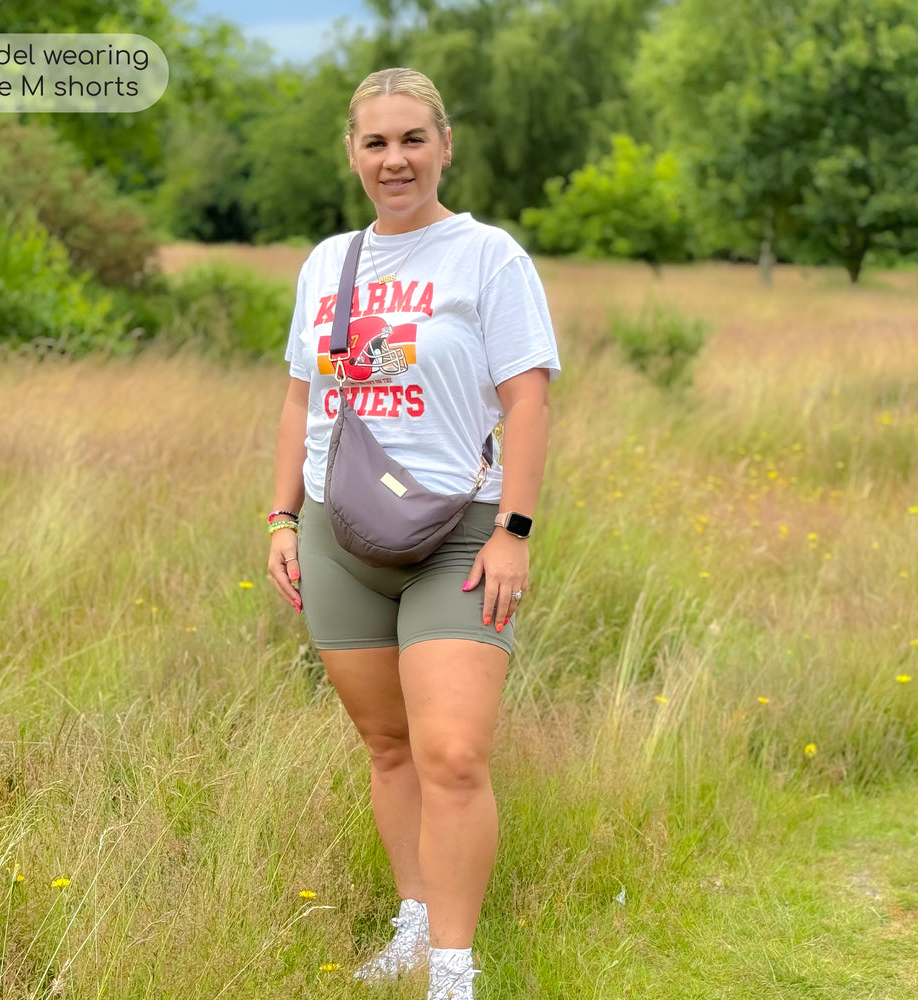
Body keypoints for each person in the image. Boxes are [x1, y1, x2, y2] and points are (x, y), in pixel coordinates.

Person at [266, 66, 560, 1000]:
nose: (395, 160)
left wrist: (513, 529)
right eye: (375, 143)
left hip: (461, 533)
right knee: (388, 747)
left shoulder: (488, 258)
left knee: (453, 753)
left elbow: (528, 399)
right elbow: (301, 397)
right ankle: (411, 920)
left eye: (412, 140)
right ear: (352, 152)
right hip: (337, 532)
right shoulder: (326, 264)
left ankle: (451, 968)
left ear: (444, 146)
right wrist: (281, 515)